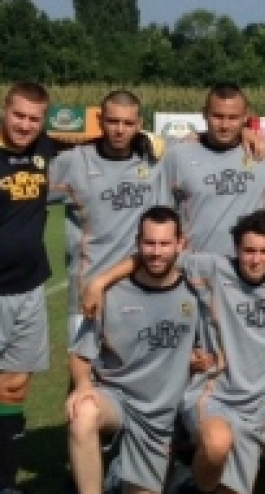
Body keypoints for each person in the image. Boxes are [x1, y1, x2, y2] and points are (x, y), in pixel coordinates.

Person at [80, 210, 265, 494]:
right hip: (213, 393)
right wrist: (100, 281)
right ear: (236, 249)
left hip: (253, 408)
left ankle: (181, 478)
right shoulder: (212, 269)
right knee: (215, 445)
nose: (256, 259)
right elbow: (154, 255)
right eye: (249, 250)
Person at [65, 206, 204, 494]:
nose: (156, 252)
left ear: (180, 244)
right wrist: (83, 387)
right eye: (149, 243)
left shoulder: (197, 292)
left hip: (158, 415)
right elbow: (81, 355)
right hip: (117, 398)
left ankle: (120, 472)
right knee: (83, 415)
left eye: (164, 244)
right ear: (137, 243)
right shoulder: (111, 293)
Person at [0, 81, 74, 494]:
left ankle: (2, 482)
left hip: (30, 288)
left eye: (34, 119)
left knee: (13, 388)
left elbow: (97, 136)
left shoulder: (46, 149)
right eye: (19, 115)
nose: (25, 125)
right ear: (4, 110)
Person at [50, 89, 166, 349]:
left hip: (140, 285)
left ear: (140, 125)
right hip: (89, 288)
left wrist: (249, 132)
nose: (119, 130)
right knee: (83, 377)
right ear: (101, 120)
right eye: (113, 121)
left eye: (128, 123)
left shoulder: (152, 161)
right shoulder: (72, 162)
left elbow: (205, 141)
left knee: (131, 371)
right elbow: (25, 185)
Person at [163, 83, 265, 255]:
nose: (224, 125)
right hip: (195, 266)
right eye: (217, 116)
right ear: (204, 114)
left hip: (249, 267)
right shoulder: (177, 155)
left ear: (246, 116)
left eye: (233, 118)